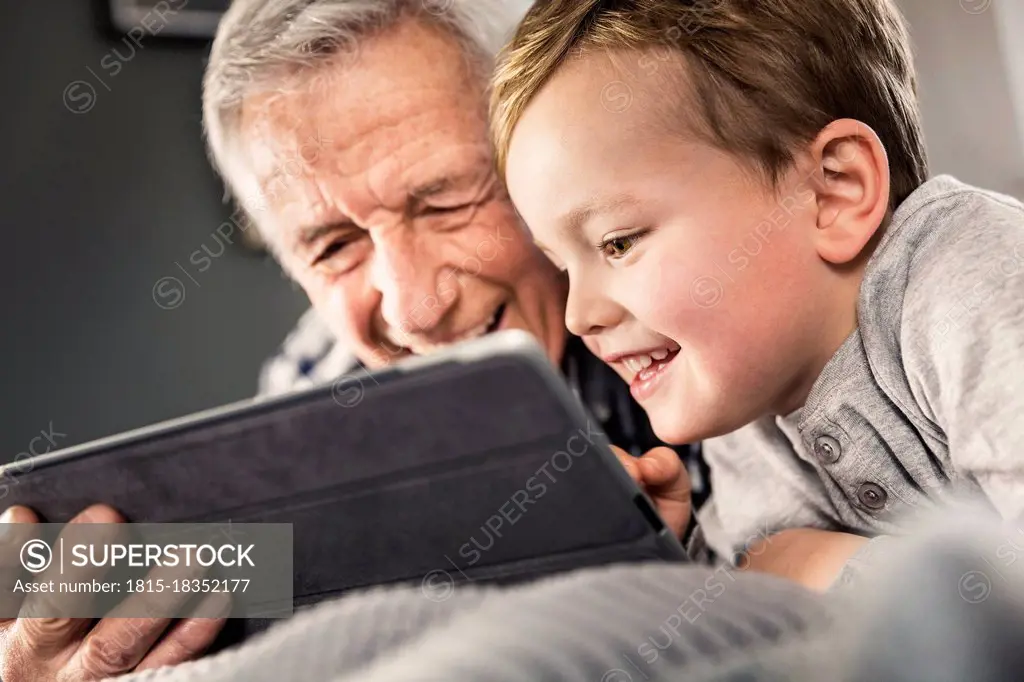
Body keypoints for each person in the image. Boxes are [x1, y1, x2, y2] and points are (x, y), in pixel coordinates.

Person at [0, 2, 703, 680]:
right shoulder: (315, 381)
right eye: (334, 245)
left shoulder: (698, 324)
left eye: (445, 201)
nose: (416, 309)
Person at [492, 0, 1024, 592]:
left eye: (617, 243)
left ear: (833, 192)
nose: (578, 315)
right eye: (563, 267)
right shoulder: (745, 407)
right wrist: (664, 561)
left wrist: (821, 568)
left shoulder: (975, 280)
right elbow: (753, 613)